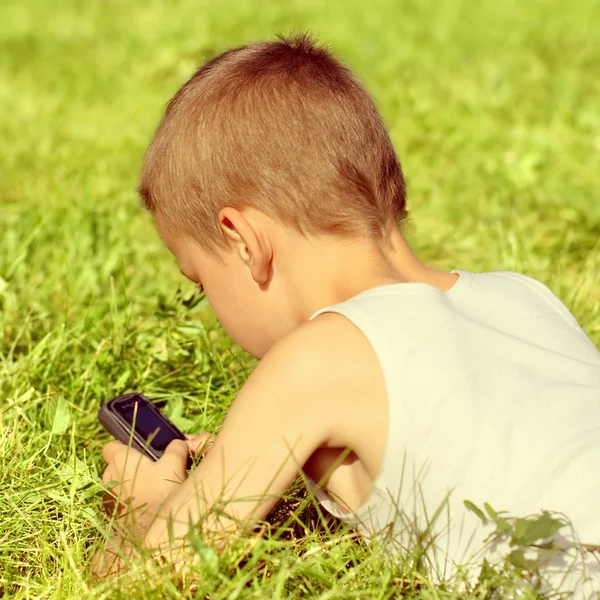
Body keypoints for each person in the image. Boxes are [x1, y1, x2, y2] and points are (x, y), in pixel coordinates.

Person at [96, 34, 600, 592]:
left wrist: (143, 507)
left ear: (243, 241)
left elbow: (140, 578)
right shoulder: (523, 296)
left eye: (200, 282)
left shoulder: (319, 357)